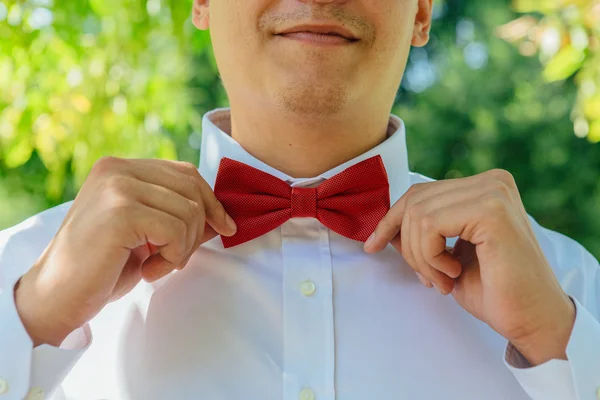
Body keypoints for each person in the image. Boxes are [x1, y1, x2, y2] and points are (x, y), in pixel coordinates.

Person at [0, 0, 599, 399]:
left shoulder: (567, 290)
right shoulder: (23, 274)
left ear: (421, 11)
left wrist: (561, 348)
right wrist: (31, 321)